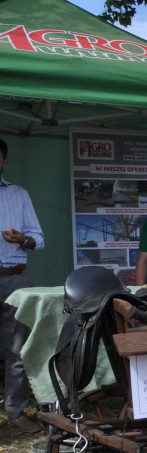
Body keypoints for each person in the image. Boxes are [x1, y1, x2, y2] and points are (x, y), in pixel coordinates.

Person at [0, 137, 46, 434]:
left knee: (17, 348)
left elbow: (39, 239)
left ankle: (15, 412)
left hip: (14, 279)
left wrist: (23, 240)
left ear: (4, 161)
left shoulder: (18, 194)